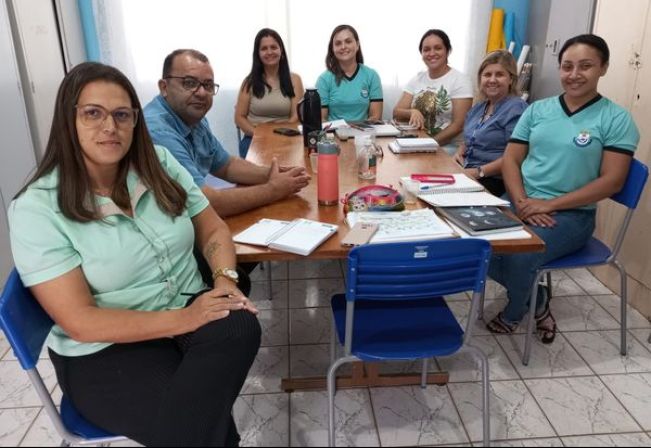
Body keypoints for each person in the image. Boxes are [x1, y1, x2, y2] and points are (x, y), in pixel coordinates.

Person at [8, 62, 261, 446]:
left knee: (240, 324)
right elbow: (81, 322)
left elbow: (211, 227)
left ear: (135, 121)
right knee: (205, 429)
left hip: (184, 304)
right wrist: (186, 319)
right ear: (67, 119)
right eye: (93, 113)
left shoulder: (158, 164)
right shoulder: (37, 208)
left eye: (122, 114)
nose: (110, 126)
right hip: (105, 350)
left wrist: (224, 280)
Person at [486, 35, 639, 344]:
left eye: (585, 66)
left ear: (603, 68)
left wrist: (550, 204)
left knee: (519, 256)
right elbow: (512, 160)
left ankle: (517, 311)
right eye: (567, 66)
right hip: (521, 201)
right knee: (473, 244)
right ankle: (539, 300)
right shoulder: (537, 110)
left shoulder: (616, 119)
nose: (574, 74)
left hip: (571, 215)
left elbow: (612, 181)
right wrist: (522, 201)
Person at [144, 49, 310, 219]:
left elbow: (226, 165)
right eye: (189, 83)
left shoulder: (193, 118)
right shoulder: (158, 131)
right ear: (164, 87)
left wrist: (272, 173)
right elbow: (207, 203)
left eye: (208, 85)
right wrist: (273, 189)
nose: (201, 92)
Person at [453, 50, 528, 197]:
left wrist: (478, 172)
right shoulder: (479, 108)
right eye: (487, 75)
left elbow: (516, 157)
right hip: (468, 170)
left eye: (499, 74)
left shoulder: (516, 108)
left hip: (495, 179)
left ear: (511, 79)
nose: (492, 80)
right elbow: (470, 138)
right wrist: (460, 151)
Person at [393, 29, 473, 147]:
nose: (431, 53)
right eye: (426, 49)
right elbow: (396, 112)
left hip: (447, 147)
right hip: (417, 143)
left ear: (447, 51)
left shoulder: (460, 80)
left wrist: (428, 144)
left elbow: (458, 125)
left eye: (438, 48)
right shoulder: (417, 78)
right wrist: (411, 112)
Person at [235, 28, 304, 158]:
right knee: (261, 174)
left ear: (281, 51)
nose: (269, 52)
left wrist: (277, 136)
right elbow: (239, 117)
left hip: (286, 137)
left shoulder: (295, 79)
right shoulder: (248, 82)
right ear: (258, 54)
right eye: (264, 48)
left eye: (274, 47)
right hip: (254, 138)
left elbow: (296, 117)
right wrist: (260, 134)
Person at [316, 24, 383, 122]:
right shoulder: (324, 79)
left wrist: (359, 133)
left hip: (364, 134)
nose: (343, 47)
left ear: (357, 45)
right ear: (332, 48)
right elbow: (321, 119)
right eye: (338, 43)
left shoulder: (372, 76)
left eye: (348, 41)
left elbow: (375, 117)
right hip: (333, 135)